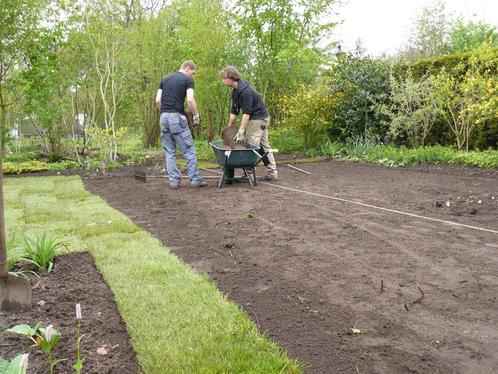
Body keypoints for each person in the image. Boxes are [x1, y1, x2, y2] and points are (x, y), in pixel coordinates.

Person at [220, 65, 278, 181]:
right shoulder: (236, 91)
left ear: (231, 77)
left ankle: (249, 173)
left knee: (251, 146)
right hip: (259, 118)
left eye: (224, 78)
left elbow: (246, 114)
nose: (223, 80)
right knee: (264, 146)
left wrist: (241, 131)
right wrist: (229, 129)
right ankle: (272, 173)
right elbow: (234, 112)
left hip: (258, 119)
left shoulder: (246, 91)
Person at [156, 61, 206, 189]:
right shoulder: (187, 80)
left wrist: (164, 112)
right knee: (189, 150)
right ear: (188, 68)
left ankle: (174, 182)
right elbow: (190, 99)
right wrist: (196, 115)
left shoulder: (164, 79)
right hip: (177, 118)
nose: (192, 76)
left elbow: (157, 100)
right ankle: (195, 180)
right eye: (193, 73)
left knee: (169, 152)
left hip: (163, 117)